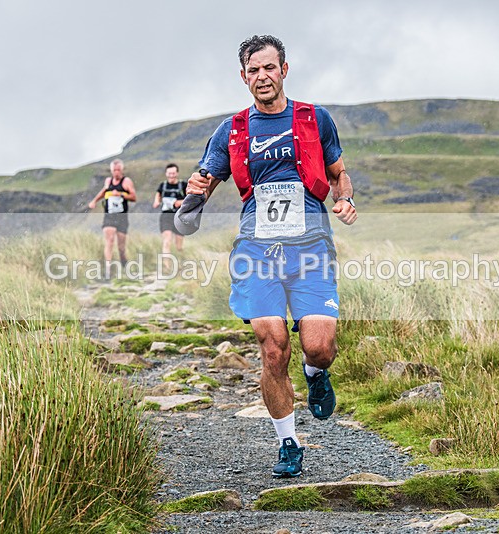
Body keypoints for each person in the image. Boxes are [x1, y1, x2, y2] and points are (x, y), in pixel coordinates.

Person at [187, 35, 357, 478]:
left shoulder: (314, 119)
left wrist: (344, 200)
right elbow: (207, 177)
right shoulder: (233, 130)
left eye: (269, 68)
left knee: (319, 348)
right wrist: (195, 196)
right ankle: (288, 443)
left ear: (284, 69)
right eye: (253, 70)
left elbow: (339, 174)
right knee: (272, 348)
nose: (262, 76)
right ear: (243, 77)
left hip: (311, 247)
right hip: (257, 250)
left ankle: (315, 373)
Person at [88, 158, 137, 277]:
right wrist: (94, 201)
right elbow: (104, 192)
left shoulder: (126, 182)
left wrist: (120, 194)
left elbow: (133, 197)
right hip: (109, 216)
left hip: (122, 217)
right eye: (114, 170)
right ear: (111, 171)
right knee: (109, 240)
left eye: (118, 170)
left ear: (122, 170)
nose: (116, 172)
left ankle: (124, 263)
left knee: (121, 247)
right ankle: (108, 270)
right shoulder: (108, 181)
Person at [152, 163, 187, 254]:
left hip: (180, 216)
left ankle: (180, 263)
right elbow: (158, 195)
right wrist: (156, 202)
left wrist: (180, 202)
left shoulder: (183, 185)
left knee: (179, 246)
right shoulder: (162, 185)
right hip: (166, 216)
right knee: (167, 241)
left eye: (173, 173)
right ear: (166, 174)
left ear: (177, 173)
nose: (171, 175)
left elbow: (191, 199)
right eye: (169, 173)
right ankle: (166, 267)